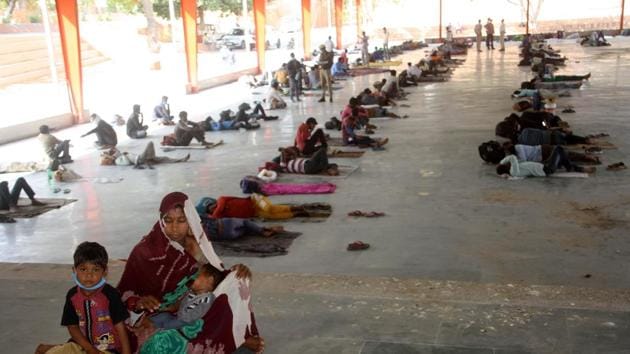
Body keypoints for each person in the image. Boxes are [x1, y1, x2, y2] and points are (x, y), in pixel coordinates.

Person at [116, 192, 264, 353]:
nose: (174, 227)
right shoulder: (144, 251)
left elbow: (213, 276)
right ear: (160, 220)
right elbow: (122, 294)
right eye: (168, 220)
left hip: (192, 305)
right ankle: (231, 340)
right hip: (154, 316)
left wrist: (236, 272)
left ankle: (235, 336)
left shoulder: (199, 243)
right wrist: (138, 302)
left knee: (237, 283)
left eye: (181, 220)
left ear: (190, 220)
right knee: (163, 342)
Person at [35, 242, 131, 354]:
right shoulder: (72, 296)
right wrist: (89, 348)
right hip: (80, 346)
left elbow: (121, 328)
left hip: (107, 349)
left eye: (95, 269)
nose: (89, 275)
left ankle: (50, 348)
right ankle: (51, 349)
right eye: (83, 269)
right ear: (74, 270)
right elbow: (72, 326)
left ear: (105, 272)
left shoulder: (111, 295)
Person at [148, 263, 224, 330]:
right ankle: (151, 323)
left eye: (196, 275)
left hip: (185, 321)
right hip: (178, 316)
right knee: (163, 316)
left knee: (168, 324)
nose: (192, 277)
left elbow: (195, 315)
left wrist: (182, 316)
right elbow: (180, 303)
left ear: (210, 280)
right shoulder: (192, 292)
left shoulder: (207, 299)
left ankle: (158, 329)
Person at [196, 198, 284, 240]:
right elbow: (212, 218)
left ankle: (264, 230)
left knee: (246, 230)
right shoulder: (221, 202)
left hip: (228, 236)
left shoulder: (190, 231)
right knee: (246, 223)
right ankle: (262, 230)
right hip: (226, 225)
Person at [208, 193, 327, 219]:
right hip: (254, 212)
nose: (213, 208)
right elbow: (215, 217)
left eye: (212, 206)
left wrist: (215, 212)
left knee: (270, 208)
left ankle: (295, 208)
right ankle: (296, 213)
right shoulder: (221, 214)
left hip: (255, 200)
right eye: (210, 210)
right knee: (271, 216)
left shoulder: (221, 200)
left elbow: (217, 211)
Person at [496, 146, 592, 178]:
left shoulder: (515, 168)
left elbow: (518, 160)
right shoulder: (514, 172)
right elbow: (512, 157)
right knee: (558, 149)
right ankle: (573, 167)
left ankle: (572, 167)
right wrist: (501, 161)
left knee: (561, 153)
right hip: (546, 170)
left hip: (544, 166)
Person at [101, 141, 190, 168]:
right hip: (140, 159)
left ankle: (181, 159)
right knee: (150, 143)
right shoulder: (117, 161)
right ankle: (149, 159)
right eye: (109, 156)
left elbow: (116, 150)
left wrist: (109, 152)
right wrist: (107, 155)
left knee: (164, 158)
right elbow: (127, 162)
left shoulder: (117, 157)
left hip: (142, 158)